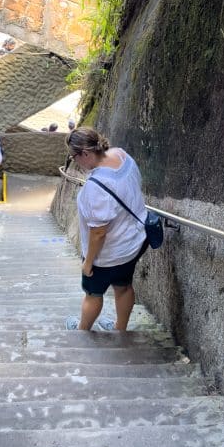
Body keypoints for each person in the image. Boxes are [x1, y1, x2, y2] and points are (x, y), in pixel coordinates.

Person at [67, 127, 148, 331]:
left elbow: (99, 232)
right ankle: (120, 329)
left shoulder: (96, 186)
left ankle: (82, 331)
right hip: (133, 244)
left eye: (73, 156)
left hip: (107, 255)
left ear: (85, 154)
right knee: (124, 287)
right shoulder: (123, 156)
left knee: (93, 293)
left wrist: (88, 262)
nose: (74, 160)